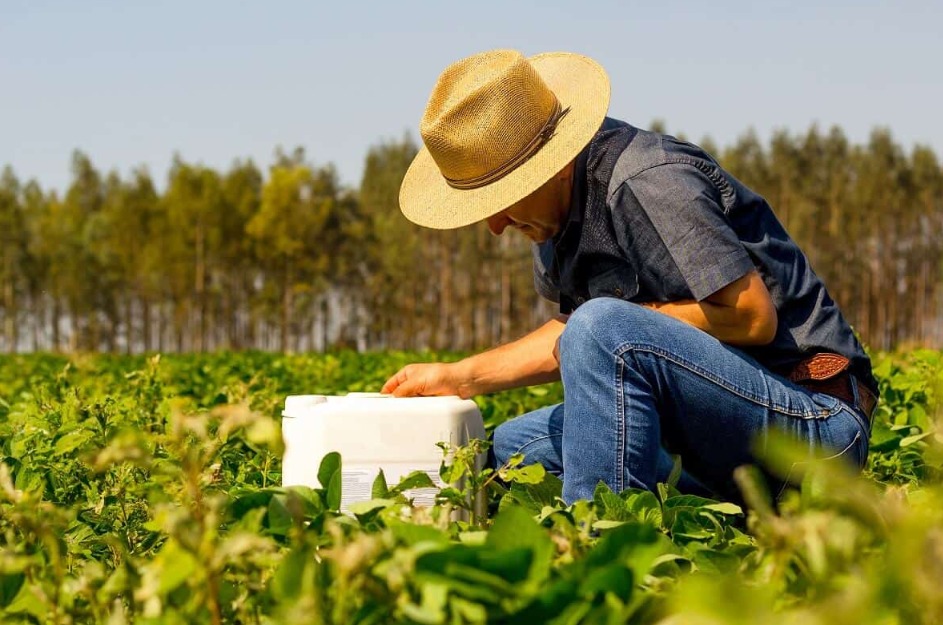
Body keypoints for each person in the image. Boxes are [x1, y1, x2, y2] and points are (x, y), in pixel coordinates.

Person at [381, 49, 877, 503]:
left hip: (812, 427)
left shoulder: (647, 179)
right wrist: (457, 376)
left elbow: (751, 318)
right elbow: (573, 333)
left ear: (549, 167)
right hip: (711, 432)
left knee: (601, 327)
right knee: (510, 451)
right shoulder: (552, 219)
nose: (494, 226)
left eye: (500, 200)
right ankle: (727, 511)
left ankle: (601, 554)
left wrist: (621, 323)